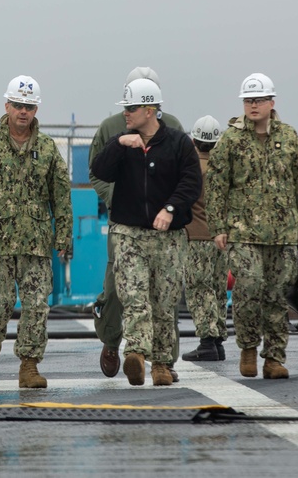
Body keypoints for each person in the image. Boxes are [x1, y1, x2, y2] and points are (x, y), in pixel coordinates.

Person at [90, 77, 201, 386]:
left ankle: (163, 364)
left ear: (150, 109)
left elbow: (191, 183)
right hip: (128, 235)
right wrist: (118, 144)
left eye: (131, 108)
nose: (126, 113)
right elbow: (99, 170)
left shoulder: (179, 143)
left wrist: (170, 209)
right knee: (134, 296)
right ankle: (136, 355)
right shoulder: (124, 144)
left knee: (164, 302)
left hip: (167, 239)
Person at [0, 75, 72, 389]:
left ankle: (29, 365)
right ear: (7, 106)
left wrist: (63, 235)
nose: (23, 111)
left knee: (37, 305)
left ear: (36, 109)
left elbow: (61, 196)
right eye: (18, 105)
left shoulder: (48, 148)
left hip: (36, 243)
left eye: (29, 106)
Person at [205, 73, 298, 379]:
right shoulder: (231, 139)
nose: (253, 106)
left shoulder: (289, 137)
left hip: (283, 234)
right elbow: (215, 184)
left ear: (271, 102)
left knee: (277, 295)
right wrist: (217, 226)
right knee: (248, 288)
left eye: (258, 100)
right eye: (248, 100)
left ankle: (275, 358)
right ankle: (249, 348)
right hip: (243, 233)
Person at [181, 115, 229, 362]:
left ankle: (207, 342)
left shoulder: (190, 169)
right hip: (220, 239)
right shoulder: (222, 170)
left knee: (199, 289)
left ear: (193, 140)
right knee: (218, 288)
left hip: (196, 237)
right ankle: (218, 340)